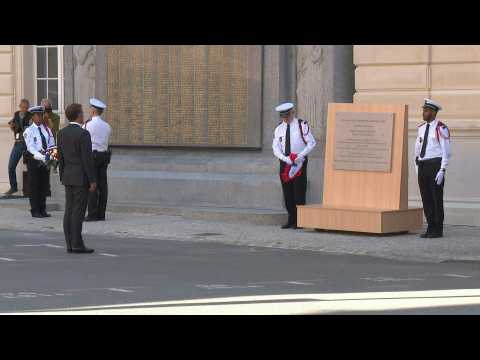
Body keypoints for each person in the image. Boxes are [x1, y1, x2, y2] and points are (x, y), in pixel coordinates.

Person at [57, 103, 96, 254]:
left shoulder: (62, 133)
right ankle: (77, 243)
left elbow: (60, 158)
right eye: (82, 112)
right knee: (78, 212)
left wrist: (62, 176)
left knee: (69, 210)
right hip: (80, 177)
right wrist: (92, 180)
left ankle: (69, 243)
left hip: (68, 175)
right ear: (78, 115)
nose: (83, 114)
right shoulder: (83, 134)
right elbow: (87, 159)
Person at [272, 102, 316, 229]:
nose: (285, 119)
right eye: (283, 116)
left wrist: (299, 156)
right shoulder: (279, 128)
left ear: (293, 113)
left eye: (287, 115)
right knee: (287, 192)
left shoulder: (302, 125)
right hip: (285, 162)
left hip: (299, 162)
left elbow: (311, 143)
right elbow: (275, 148)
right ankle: (291, 219)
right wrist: (285, 158)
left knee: (299, 192)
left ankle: (300, 221)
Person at [415, 98, 451, 238]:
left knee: (436, 197)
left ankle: (438, 229)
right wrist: (416, 165)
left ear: (434, 112)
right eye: (423, 110)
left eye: (427, 110)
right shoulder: (421, 128)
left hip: (435, 165)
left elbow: (446, 151)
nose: (424, 112)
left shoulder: (441, 128)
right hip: (423, 165)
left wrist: (442, 169)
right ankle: (430, 227)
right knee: (426, 198)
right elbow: (417, 148)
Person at [23, 106, 55, 218]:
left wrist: (52, 157)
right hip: (34, 161)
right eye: (38, 115)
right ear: (33, 116)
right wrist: (43, 157)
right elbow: (31, 148)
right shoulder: (29, 131)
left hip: (46, 160)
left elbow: (51, 143)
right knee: (34, 185)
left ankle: (42, 208)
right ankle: (35, 210)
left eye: (41, 115)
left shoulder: (46, 129)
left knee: (44, 185)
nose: (40, 117)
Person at [83, 98, 112, 222]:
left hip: (92, 157)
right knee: (103, 185)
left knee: (92, 184)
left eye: (90, 108)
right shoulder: (107, 126)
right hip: (104, 156)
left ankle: (92, 213)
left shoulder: (87, 125)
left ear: (93, 110)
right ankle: (101, 213)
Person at [4, 99, 32, 196]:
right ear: (20, 106)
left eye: (26, 107)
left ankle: (31, 189)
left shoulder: (30, 115)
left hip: (28, 144)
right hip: (18, 143)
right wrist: (12, 126)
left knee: (30, 167)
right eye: (23, 107)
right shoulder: (16, 114)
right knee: (11, 166)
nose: (24, 109)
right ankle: (13, 187)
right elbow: (12, 125)